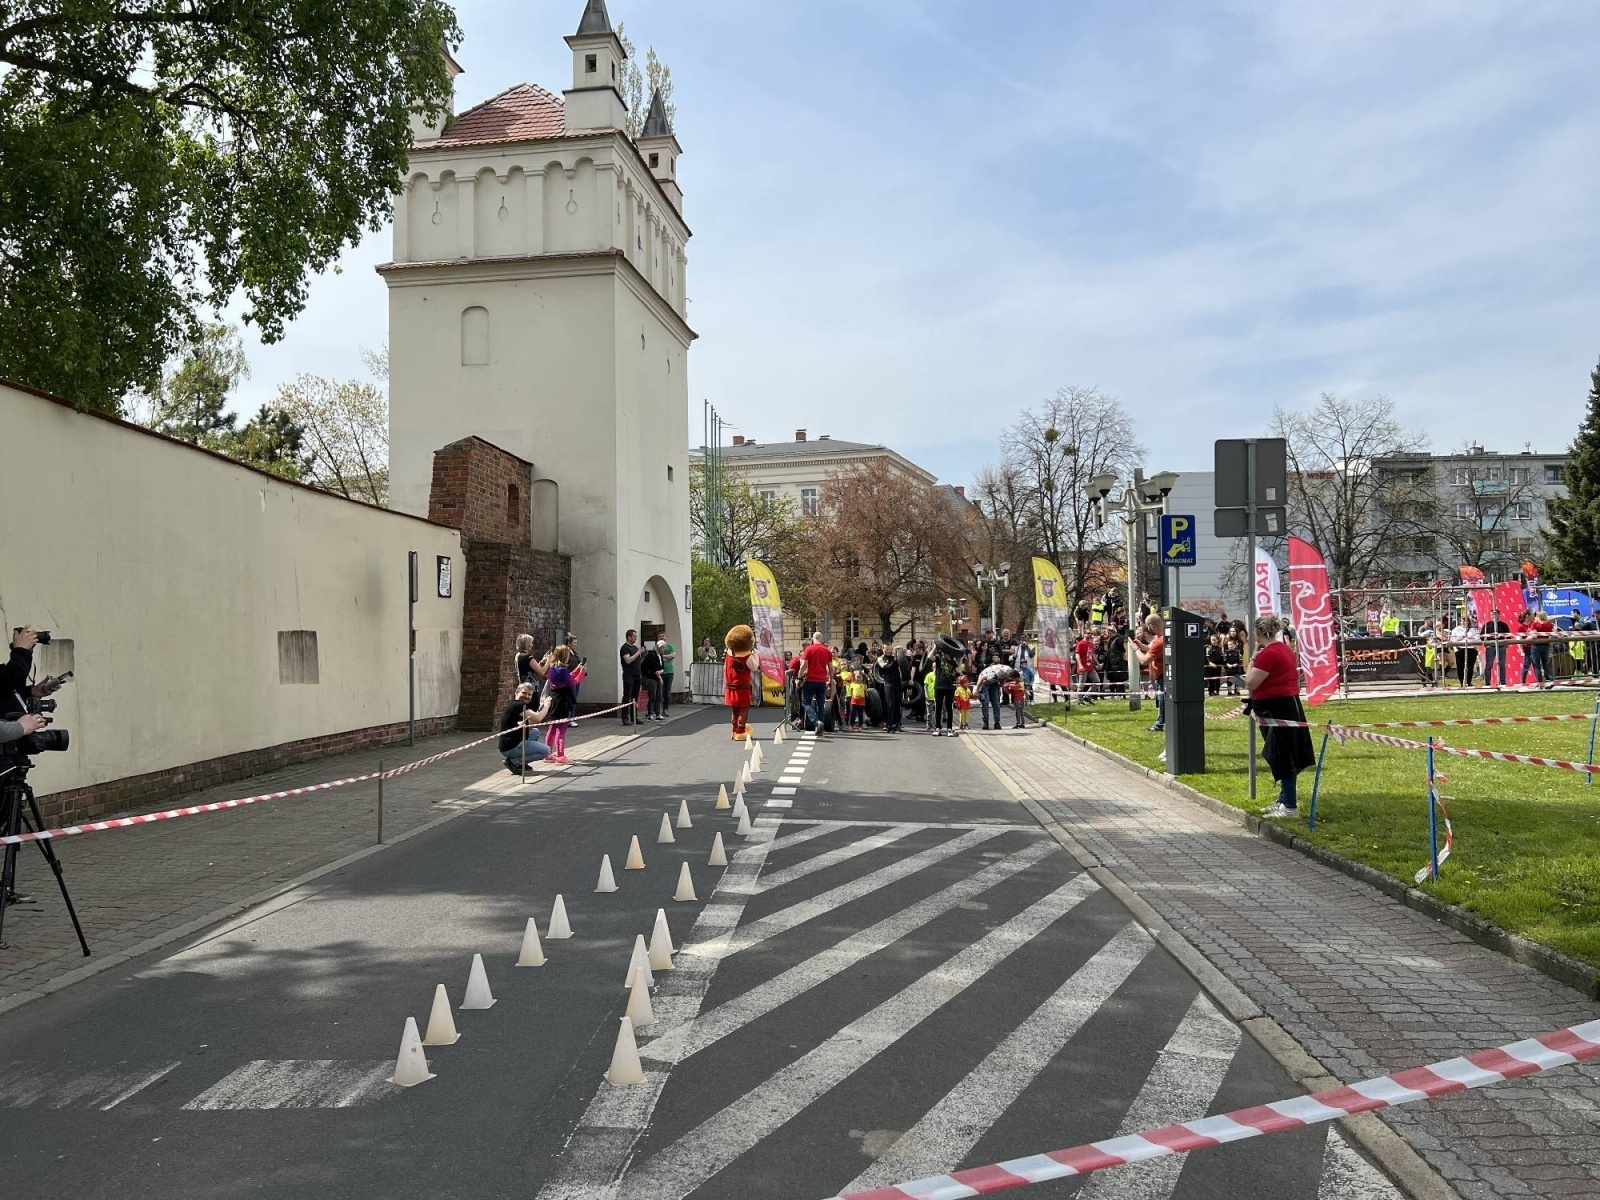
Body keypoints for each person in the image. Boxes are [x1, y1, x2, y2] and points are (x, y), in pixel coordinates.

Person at [1247, 614, 1316, 819]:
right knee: (1281, 753)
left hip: (1278, 708)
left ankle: (1290, 806)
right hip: (1282, 705)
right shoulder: (1284, 649)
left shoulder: (1268, 654)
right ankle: (1284, 799)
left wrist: (1252, 658)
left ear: (1258, 632)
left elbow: (1250, 682)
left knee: (1283, 755)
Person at [499, 683, 552, 773]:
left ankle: (521, 761)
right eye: (524, 693)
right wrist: (546, 705)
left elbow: (531, 721)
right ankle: (514, 762)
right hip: (511, 747)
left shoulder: (514, 703)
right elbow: (538, 718)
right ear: (517, 692)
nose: (527, 696)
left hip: (509, 742)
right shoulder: (518, 706)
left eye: (529, 694)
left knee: (535, 732)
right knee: (546, 751)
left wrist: (540, 709)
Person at [541, 646, 578, 764]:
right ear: (564, 656)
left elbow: (566, 678)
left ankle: (547, 753)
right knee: (561, 729)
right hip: (563, 700)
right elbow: (572, 682)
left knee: (552, 728)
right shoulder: (563, 670)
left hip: (554, 699)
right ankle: (561, 756)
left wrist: (577, 670)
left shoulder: (552, 668)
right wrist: (581, 674)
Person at [723, 624, 758, 740]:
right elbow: (754, 667)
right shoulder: (746, 656)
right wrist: (756, 654)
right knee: (743, 708)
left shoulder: (729, 653)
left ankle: (734, 729)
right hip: (742, 687)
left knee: (735, 709)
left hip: (730, 687)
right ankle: (740, 730)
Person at [797, 633, 833, 736]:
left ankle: (816, 721)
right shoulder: (827, 651)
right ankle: (819, 727)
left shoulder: (809, 649)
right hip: (822, 681)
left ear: (813, 638)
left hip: (810, 680)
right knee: (821, 704)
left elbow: (803, 665)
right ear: (821, 639)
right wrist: (830, 680)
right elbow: (831, 668)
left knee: (805, 702)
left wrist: (799, 677)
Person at [1135, 614, 1165, 732]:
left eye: (1148, 627)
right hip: (1161, 674)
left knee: (1162, 701)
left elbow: (1144, 660)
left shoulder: (1159, 641)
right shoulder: (1163, 638)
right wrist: (1141, 646)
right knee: (1161, 700)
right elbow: (1153, 651)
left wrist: (1135, 649)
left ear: (1151, 626)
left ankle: (1159, 724)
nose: (1148, 630)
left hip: (1162, 675)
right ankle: (1160, 723)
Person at [1524, 610, 1555, 688]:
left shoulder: (1535, 624)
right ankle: (1552, 680)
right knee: (1545, 665)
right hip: (1546, 646)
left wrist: (1527, 638)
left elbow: (1533, 636)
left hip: (1536, 646)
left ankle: (1540, 683)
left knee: (1537, 666)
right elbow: (1553, 634)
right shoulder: (1549, 625)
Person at [619, 630, 644, 724]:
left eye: (636, 636)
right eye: (634, 636)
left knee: (635, 697)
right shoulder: (624, 648)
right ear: (629, 637)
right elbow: (628, 660)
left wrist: (641, 655)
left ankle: (634, 716)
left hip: (637, 674)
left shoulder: (635, 647)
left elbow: (637, 661)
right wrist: (638, 653)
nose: (636, 638)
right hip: (629, 675)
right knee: (627, 696)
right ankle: (625, 717)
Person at [1481, 610, 1510, 689]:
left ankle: (1503, 682)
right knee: (1489, 665)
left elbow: (1508, 635)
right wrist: (1486, 642)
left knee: (1502, 665)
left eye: (1494, 614)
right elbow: (1481, 636)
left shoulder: (1503, 625)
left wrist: (1505, 644)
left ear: (1498, 615)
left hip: (1501, 647)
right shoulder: (1487, 625)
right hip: (1490, 647)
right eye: (1491, 615)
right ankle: (1487, 682)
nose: (1493, 616)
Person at [976, 660, 1008, 731]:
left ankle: (997, 722)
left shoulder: (1002, 671)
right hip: (984, 685)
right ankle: (986, 722)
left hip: (994, 685)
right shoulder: (989, 673)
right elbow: (981, 679)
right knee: (985, 703)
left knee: (996, 703)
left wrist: (1005, 689)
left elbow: (1002, 681)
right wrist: (976, 690)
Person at [640, 640, 666, 722]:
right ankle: (650, 713)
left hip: (658, 678)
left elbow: (662, 668)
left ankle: (658, 713)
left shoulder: (660, 656)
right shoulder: (652, 655)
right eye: (662, 647)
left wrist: (661, 672)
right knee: (652, 696)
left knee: (658, 696)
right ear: (658, 647)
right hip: (651, 678)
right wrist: (660, 677)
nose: (663, 649)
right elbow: (653, 669)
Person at [658, 637, 677, 713]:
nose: (662, 637)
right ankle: (656, 709)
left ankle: (665, 708)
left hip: (669, 672)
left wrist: (663, 656)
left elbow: (673, 656)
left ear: (666, 637)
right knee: (658, 691)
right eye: (660, 636)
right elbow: (658, 658)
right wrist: (667, 657)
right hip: (660, 672)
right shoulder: (657, 648)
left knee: (667, 691)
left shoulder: (670, 646)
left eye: (663, 636)